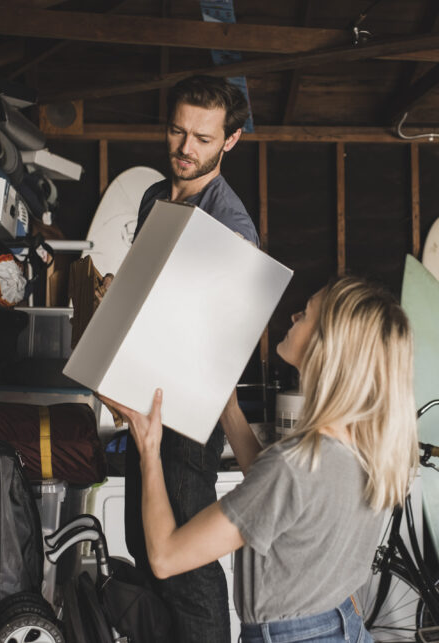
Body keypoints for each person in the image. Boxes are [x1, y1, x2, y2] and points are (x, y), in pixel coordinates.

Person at [101, 277, 419, 643]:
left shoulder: (294, 465)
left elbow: (165, 556)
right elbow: (277, 503)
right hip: (343, 626)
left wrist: (149, 449)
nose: (294, 315)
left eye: (307, 314)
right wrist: (230, 411)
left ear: (327, 346)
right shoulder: (367, 448)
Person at [123, 74, 261, 643]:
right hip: (142, 397)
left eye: (202, 138)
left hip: (186, 416)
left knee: (185, 569)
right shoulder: (154, 196)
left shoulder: (231, 229)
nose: (185, 148)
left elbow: (224, 340)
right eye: (178, 131)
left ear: (230, 141)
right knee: (141, 542)